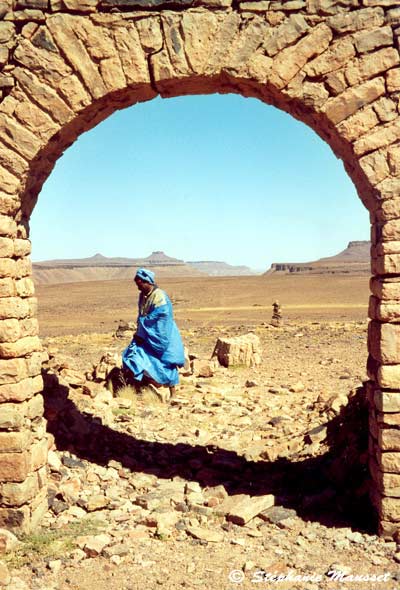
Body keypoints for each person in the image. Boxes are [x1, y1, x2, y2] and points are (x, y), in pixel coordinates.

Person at [121, 267, 185, 398]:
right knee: (134, 355)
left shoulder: (159, 296)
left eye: (139, 284)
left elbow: (163, 315)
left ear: (147, 282)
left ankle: (173, 393)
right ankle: (140, 387)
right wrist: (140, 331)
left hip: (162, 335)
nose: (138, 288)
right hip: (146, 334)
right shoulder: (142, 296)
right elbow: (142, 315)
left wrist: (145, 323)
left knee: (166, 362)